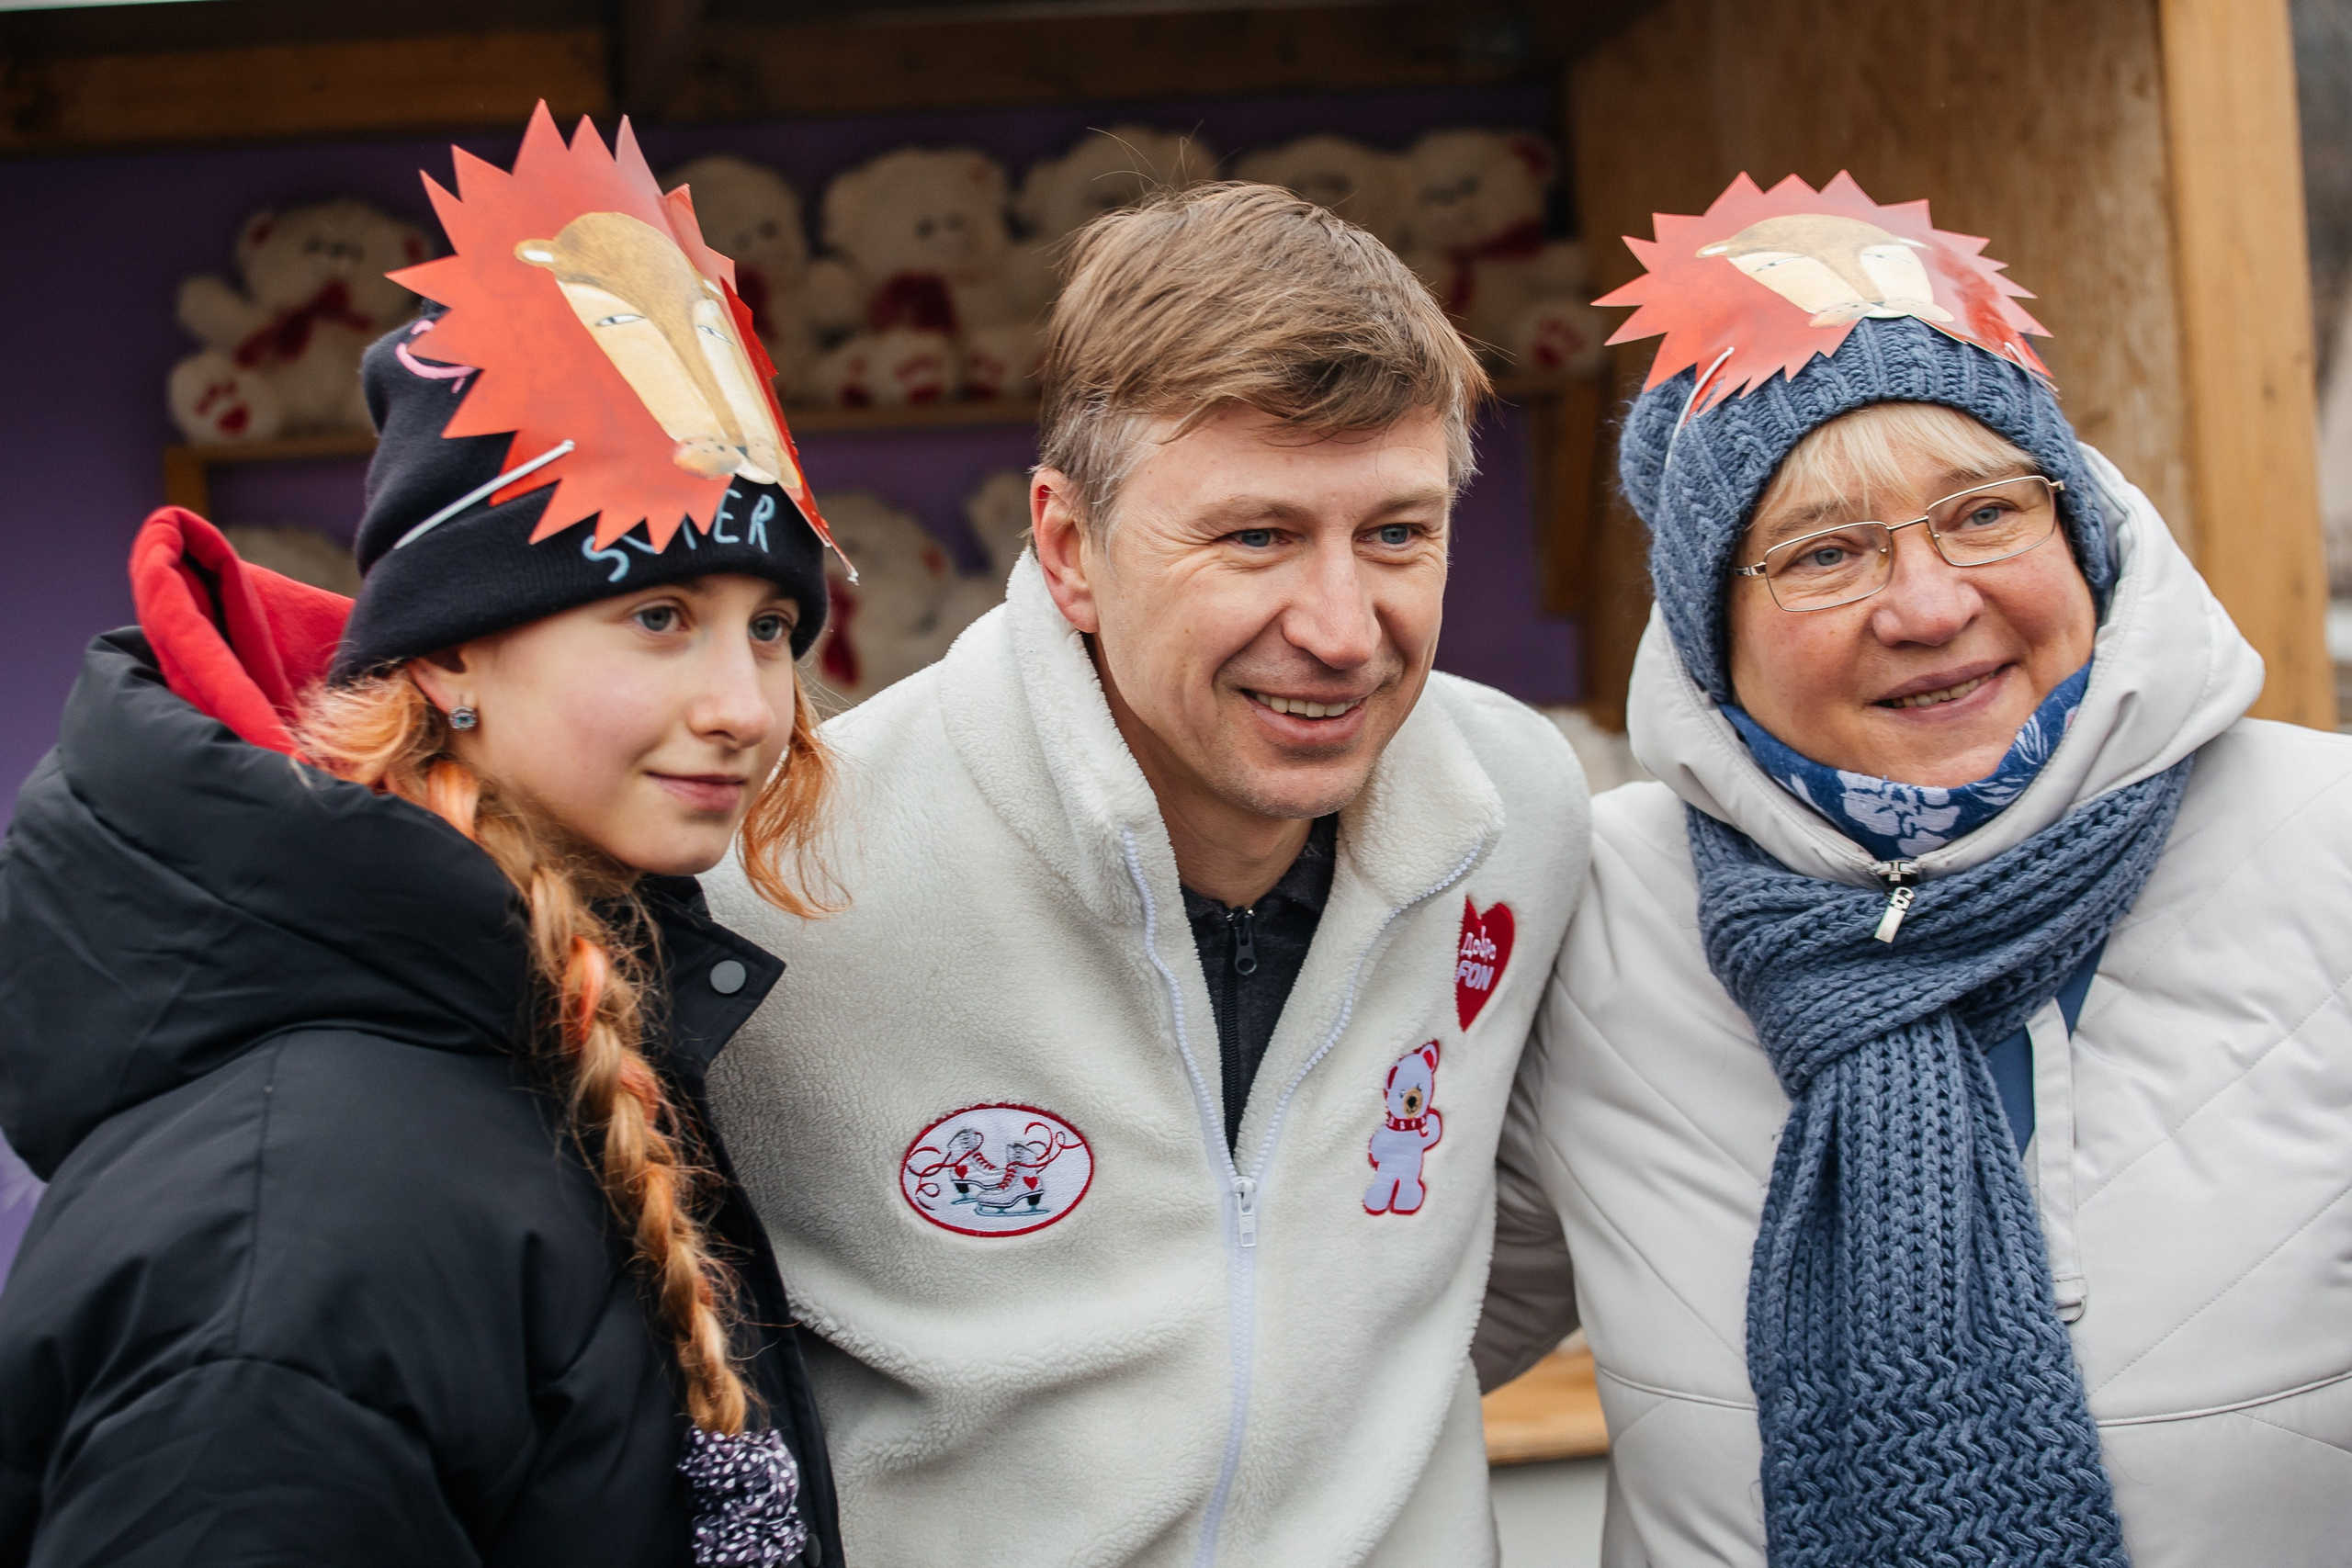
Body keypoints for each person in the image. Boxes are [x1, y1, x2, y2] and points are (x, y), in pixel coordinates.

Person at [0, 108, 846, 1567]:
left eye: (771, 630)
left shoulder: (555, 1050)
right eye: (658, 617)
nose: (743, 706)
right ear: (450, 659)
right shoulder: (304, 1214)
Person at [703, 182, 1591, 1565]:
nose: (1344, 628)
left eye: (1399, 534)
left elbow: (1498, 1243)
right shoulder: (785, 868)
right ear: (1070, 548)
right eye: (1257, 536)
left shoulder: (1521, 812)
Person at [1477, 173, 2352, 1567]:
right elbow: (1381, 1334)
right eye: (1825, 555)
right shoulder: (1599, 909)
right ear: (1714, 637)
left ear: (2082, 532)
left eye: (1986, 513)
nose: (1932, 605)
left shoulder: (2327, 842)